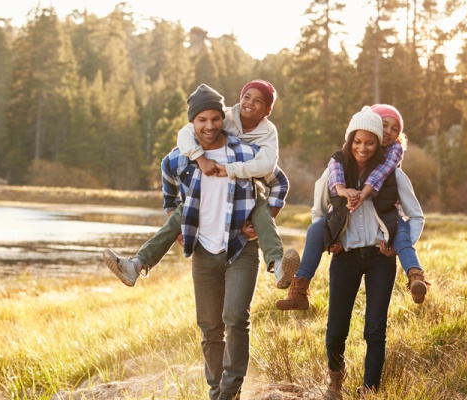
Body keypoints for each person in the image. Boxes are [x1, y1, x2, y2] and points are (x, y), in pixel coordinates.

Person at [103, 80, 299, 290]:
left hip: (248, 192)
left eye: (258, 100)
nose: (249, 103)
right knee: (181, 213)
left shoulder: (267, 135)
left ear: (267, 110)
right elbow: (185, 134)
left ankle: (278, 266)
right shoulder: (223, 118)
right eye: (246, 97)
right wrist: (200, 158)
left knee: (261, 211)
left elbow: (271, 168)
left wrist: (263, 217)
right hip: (206, 193)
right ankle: (135, 265)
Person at [160, 84, 289, 400]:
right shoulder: (182, 157)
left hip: (240, 247)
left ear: (223, 118)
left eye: (214, 118)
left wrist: (263, 218)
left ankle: (230, 391)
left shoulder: (246, 152)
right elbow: (168, 185)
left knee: (235, 317)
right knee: (209, 326)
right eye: (201, 120)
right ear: (192, 122)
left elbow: (279, 181)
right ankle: (215, 390)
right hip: (203, 248)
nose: (209, 126)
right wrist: (175, 223)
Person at [301, 107, 424, 398]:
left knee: (375, 329)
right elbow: (318, 212)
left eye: (371, 140)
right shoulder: (336, 170)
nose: (364, 147)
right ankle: (335, 382)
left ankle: (370, 390)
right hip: (345, 256)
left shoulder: (392, 174)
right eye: (359, 141)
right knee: (335, 329)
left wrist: (395, 245)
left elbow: (415, 215)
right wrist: (330, 239)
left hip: (380, 258)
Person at [275, 104, 430, 311]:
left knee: (401, 235)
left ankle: (415, 275)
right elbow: (321, 205)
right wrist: (331, 238)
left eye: (395, 129)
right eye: (384, 126)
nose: (389, 133)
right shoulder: (339, 162)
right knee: (314, 230)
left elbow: (385, 179)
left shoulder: (392, 163)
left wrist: (364, 194)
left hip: (387, 223)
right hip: (345, 240)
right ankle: (299, 288)